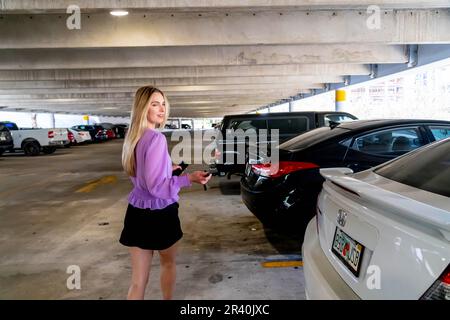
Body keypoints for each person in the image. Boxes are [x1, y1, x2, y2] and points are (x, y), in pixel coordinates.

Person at [119, 86, 211, 300]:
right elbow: (157, 188)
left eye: (163, 103)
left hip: (136, 213)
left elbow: (143, 174)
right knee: (168, 264)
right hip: (161, 215)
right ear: (142, 108)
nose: (161, 109)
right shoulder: (156, 139)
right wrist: (190, 178)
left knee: (137, 282)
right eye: (154, 104)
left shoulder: (132, 138)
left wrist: (168, 168)